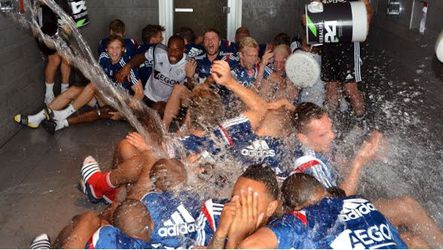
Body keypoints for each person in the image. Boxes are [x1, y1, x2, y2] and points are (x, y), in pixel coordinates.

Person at [290, 102, 443, 248]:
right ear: (303, 138)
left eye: (331, 129)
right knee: (407, 211)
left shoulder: (320, 145)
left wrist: (369, 154)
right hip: (331, 228)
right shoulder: (307, 164)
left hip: (343, 214)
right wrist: (358, 162)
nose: (333, 136)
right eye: (324, 134)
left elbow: (341, 169)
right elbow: (335, 205)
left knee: (413, 234)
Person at [238, 173, 408, 249]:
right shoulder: (360, 201)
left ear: (295, 208)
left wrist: (242, 232)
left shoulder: (301, 220)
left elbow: (248, 247)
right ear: (322, 188)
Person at [14, 35, 143, 133]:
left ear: (123, 49)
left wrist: (125, 112)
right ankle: (37, 118)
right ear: (106, 49)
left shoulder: (127, 68)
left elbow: (140, 93)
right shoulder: (104, 58)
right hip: (103, 97)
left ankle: (62, 114)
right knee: (75, 89)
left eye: (117, 48)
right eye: (111, 48)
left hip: (118, 105)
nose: (114, 52)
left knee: (94, 85)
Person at [195, 164, 279, 248]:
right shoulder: (214, 213)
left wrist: (235, 239)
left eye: (249, 203)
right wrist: (220, 233)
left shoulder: (278, 231)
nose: (237, 207)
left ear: (270, 208)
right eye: (234, 198)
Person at [321, 0, 373, 118]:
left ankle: (361, 123)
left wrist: (363, 29)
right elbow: (315, 8)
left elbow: (367, 8)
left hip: (349, 42)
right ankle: (331, 124)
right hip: (329, 41)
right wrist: (309, 20)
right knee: (331, 87)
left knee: (350, 87)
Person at [30, 199, 152, 249]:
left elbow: (101, 228)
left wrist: (106, 218)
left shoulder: (107, 235)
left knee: (89, 219)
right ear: (152, 225)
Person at [116, 35, 188, 116]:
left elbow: (191, 91)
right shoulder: (158, 52)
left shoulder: (189, 64)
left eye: (177, 50)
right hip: (149, 94)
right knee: (123, 108)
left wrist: (190, 77)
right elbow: (141, 57)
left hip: (167, 102)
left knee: (156, 111)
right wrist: (128, 66)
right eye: (170, 49)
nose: (172, 53)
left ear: (183, 50)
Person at [35, 1, 72, 104]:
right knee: (54, 59)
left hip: (62, 12)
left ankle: (65, 91)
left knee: (66, 56)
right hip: (47, 16)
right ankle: (49, 95)